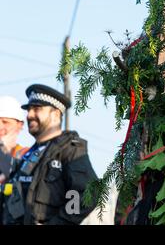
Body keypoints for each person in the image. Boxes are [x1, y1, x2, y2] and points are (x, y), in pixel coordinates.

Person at [2, 84, 98, 225]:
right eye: (29, 109)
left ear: (55, 114)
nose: (29, 115)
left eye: (37, 109)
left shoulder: (69, 150)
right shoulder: (28, 155)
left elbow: (88, 194)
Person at [0, 96, 28, 184]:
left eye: (5, 122)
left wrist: (2, 149)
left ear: (19, 125)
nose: (0, 127)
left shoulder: (27, 154)